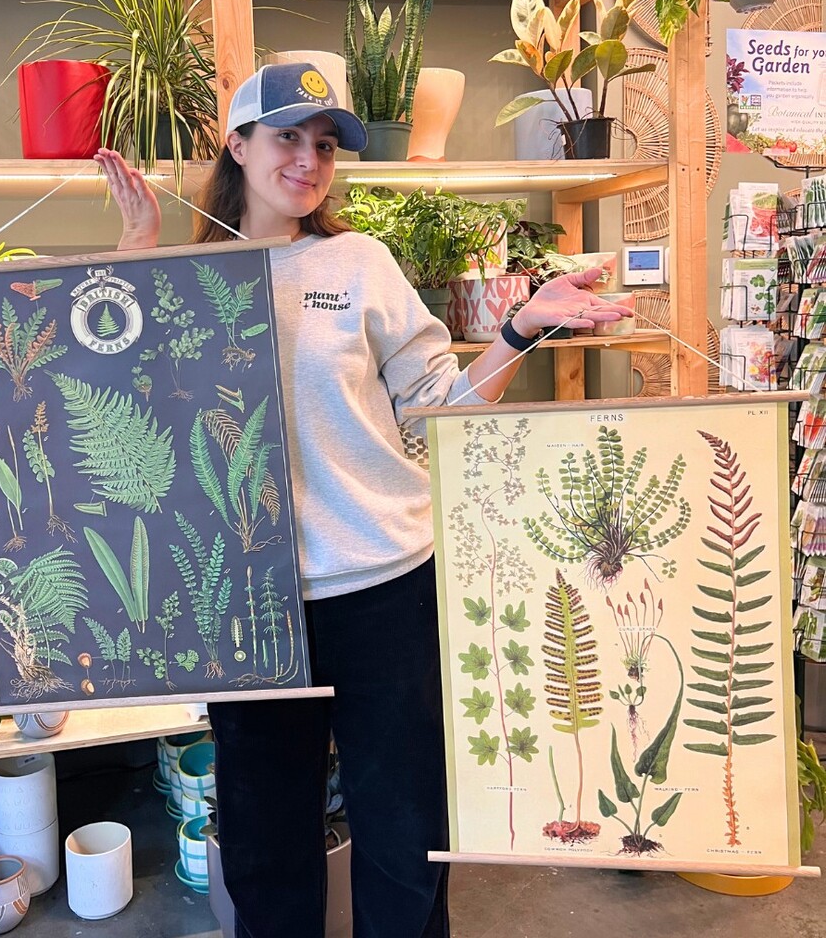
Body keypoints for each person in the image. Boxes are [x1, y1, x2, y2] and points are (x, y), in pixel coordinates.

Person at [96, 61, 631, 938]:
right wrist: (135, 253)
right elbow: (125, 421)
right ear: (236, 144)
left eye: (324, 145)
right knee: (266, 838)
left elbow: (434, 409)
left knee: (407, 827)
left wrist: (521, 327)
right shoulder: (185, 280)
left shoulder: (359, 262)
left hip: (384, 583)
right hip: (250, 602)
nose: (308, 160)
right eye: (286, 137)